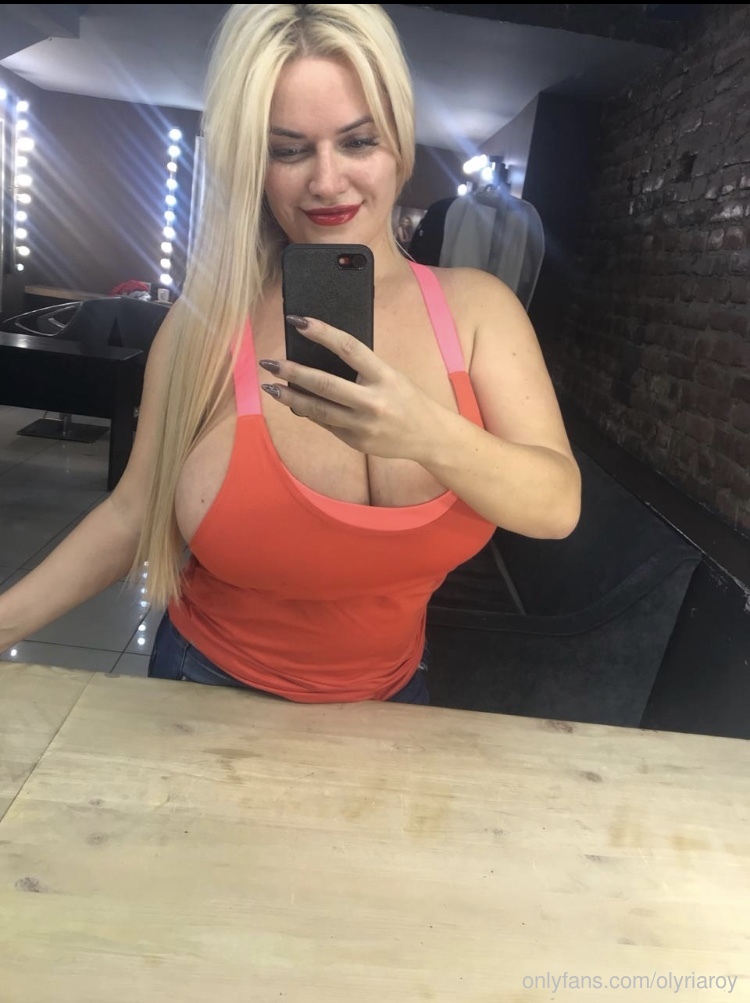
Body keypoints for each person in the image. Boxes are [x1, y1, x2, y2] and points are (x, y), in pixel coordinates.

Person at [0, 3, 580, 705]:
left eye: (358, 141)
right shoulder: (206, 326)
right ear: (255, 164)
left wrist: (427, 433)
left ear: (400, 142)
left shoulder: (480, 311)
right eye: (289, 150)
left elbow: (557, 504)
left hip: (394, 703)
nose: (327, 182)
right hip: (204, 690)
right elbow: (130, 516)